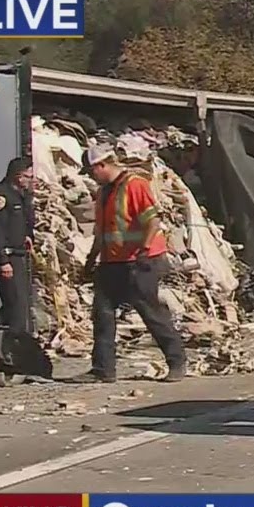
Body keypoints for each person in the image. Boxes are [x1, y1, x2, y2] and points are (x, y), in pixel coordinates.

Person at [71, 147, 187, 383]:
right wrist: (92, 259)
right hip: (111, 261)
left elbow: (153, 221)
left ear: (101, 166)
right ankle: (103, 370)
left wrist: (144, 251)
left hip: (140, 260)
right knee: (102, 313)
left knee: (150, 312)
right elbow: (102, 231)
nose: (91, 177)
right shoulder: (104, 192)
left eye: (91, 172)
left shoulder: (134, 184)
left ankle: (177, 362)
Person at [0, 157, 34, 337]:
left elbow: (19, 222)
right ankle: (15, 347)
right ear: (18, 177)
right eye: (28, 176)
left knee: (17, 302)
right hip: (6, 258)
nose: (30, 180)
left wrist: (25, 236)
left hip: (18, 254)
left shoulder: (19, 196)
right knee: (16, 304)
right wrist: (3, 261)